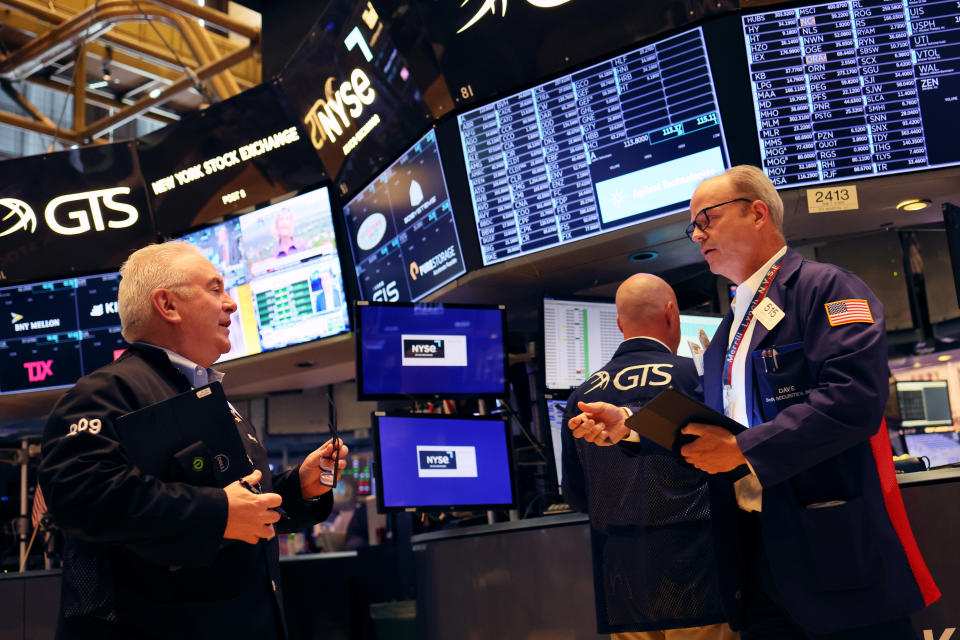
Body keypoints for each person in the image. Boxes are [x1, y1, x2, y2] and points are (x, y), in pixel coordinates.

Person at [570, 165, 939, 639]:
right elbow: (712, 429)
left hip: (830, 548)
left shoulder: (825, 288)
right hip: (752, 554)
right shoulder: (727, 331)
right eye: (693, 226)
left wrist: (746, 450)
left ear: (758, 213)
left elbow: (855, 399)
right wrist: (629, 425)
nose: (696, 234)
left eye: (707, 218)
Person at [38, 242, 348, 640]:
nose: (232, 304)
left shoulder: (205, 395)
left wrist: (296, 488)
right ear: (167, 305)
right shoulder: (105, 393)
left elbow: (237, 505)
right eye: (215, 288)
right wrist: (217, 512)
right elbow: (79, 496)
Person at [563, 274, 737, 640]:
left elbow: (578, 495)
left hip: (623, 586)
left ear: (619, 324)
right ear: (672, 314)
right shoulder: (697, 377)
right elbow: (730, 462)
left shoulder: (580, 395)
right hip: (698, 576)